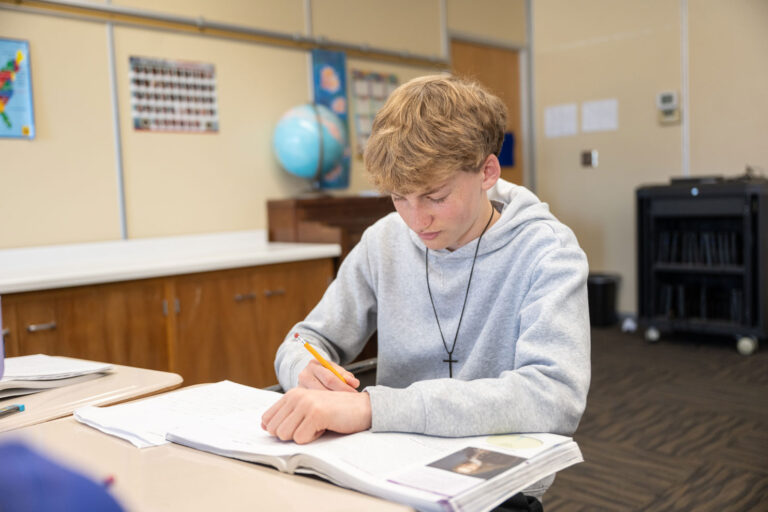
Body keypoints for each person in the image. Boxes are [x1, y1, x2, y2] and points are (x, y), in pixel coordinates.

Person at [262, 74, 590, 505]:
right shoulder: (385, 239)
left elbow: (553, 395)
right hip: (389, 464)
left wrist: (373, 408)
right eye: (399, 197)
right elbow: (305, 339)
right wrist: (303, 368)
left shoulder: (547, 251)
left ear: (487, 172)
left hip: (491, 480)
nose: (417, 221)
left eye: (435, 197)